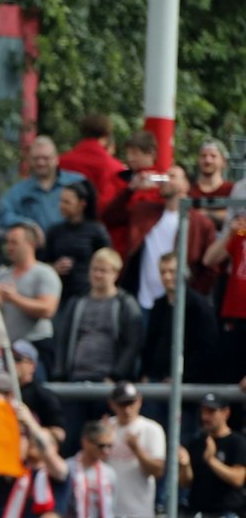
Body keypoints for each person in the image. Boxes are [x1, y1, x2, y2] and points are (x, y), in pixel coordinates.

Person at [108, 164, 216, 310]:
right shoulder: (144, 211)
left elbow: (212, 267)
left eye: (172, 176)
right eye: (164, 175)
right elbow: (110, 216)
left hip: (179, 305)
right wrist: (131, 189)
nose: (165, 180)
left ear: (186, 185)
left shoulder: (201, 223)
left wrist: (193, 295)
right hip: (142, 302)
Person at [46, 247, 142, 384]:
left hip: (108, 381)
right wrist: (59, 374)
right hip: (75, 378)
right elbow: (63, 340)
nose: (97, 274)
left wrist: (116, 375)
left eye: (103, 270)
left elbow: (132, 344)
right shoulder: (76, 302)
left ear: (115, 274)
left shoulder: (126, 304)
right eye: (94, 269)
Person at [144, 251, 222, 385]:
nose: (167, 277)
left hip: (188, 385)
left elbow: (206, 349)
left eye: (172, 271)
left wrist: (182, 377)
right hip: (156, 380)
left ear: (184, 273)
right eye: (163, 272)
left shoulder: (199, 307)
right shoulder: (158, 305)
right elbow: (150, 343)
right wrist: (145, 373)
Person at [104, 381, 167, 518]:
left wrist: (136, 448)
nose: (127, 409)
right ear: (112, 404)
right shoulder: (106, 427)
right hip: (107, 514)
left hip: (139, 514)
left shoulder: (152, 429)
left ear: (139, 400)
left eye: (130, 403)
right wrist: (102, 443)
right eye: (122, 404)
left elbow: (158, 471)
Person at [183, 393, 246, 518]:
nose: (205, 417)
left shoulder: (237, 442)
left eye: (211, 412)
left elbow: (238, 479)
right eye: (203, 411)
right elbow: (186, 482)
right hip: (197, 512)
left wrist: (211, 460)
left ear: (225, 413)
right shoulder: (196, 443)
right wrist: (184, 465)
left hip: (227, 513)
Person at [0, 222, 60, 352]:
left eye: (14, 242)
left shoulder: (44, 273)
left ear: (30, 245)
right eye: (8, 242)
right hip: (8, 347)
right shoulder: (2, 274)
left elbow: (47, 309)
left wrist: (14, 298)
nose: (9, 247)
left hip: (35, 345)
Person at [44, 183, 111, 305]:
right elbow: (42, 261)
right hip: (60, 294)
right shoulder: (54, 231)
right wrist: (54, 268)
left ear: (82, 204)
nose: (61, 206)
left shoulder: (96, 231)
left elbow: (109, 261)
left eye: (67, 202)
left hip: (88, 294)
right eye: (61, 201)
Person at [0, 136, 82, 231]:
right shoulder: (19, 191)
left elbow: (92, 213)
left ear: (56, 159)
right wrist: (28, 225)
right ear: (29, 160)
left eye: (46, 158)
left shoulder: (76, 182)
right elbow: (3, 215)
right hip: (35, 245)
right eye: (36, 158)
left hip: (72, 242)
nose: (41, 163)